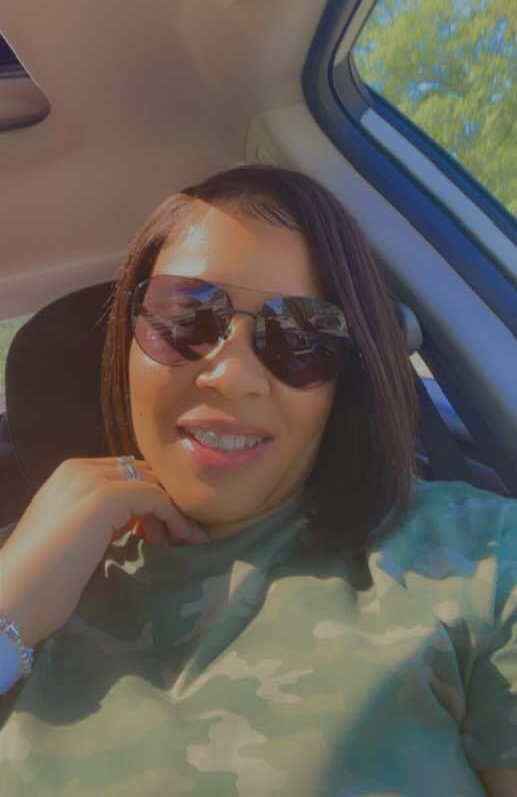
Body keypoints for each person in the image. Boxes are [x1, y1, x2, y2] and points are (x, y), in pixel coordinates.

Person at [0, 164, 515, 796]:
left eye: (301, 335)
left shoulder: (481, 560)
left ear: (347, 377)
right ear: (125, 345)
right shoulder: (24, 560)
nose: (232, 377)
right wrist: (9, 613)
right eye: (185, 317)